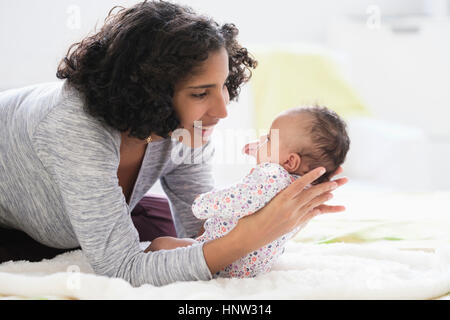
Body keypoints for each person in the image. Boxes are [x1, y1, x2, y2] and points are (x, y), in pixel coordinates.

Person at [0, 0, 347, 287]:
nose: (223, 110)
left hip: (68, 220)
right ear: (149, 93)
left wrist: (285, 208)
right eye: (200, 93)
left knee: (168, 240)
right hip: (10, 223)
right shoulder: (75, 128)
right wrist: (251, 235)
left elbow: (201, 228)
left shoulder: (185, 128)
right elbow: (122, 270)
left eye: (224, 85)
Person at [147, 106, 350, 278]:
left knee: (160, 244)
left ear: (290, 161)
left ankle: (141, 268)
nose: (263, 138)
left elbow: (241, 198)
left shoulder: (272, 175)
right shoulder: (303, 190)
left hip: (223, 255)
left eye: (270, 137)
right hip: (251, 264)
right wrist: (262, 151)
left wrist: (203, 204)